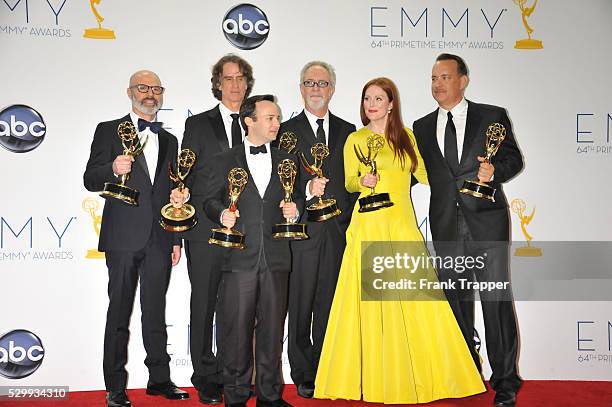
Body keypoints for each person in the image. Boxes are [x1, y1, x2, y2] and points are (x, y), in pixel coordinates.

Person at [314, 77, 485, 404]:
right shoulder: (355, 139)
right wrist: (362, 179)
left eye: (378, 98)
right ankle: (374, 380)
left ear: (392, 104)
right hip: (368, 226)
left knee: (418, 304)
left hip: (403, 226)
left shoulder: (407, 138)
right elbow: (349, 181)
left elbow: (427, 174)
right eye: (367, 99)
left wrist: (467, 171)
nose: (372, 104)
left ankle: (431, 378)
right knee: (369, 306)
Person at [412, 53, 523, 407]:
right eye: (433, 78)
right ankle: (466, 374)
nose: (437, 84)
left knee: (495, 303)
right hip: (446, 226)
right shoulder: (421, 126)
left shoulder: (491, 116)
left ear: (463, 80)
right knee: (457, 306)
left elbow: (513, 159)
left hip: (486, 223)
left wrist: (495, 173)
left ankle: (506, 379)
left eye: (444, 77)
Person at [84, 70, 190, 407]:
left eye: (156, 89)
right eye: (143, 88)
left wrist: (177, 238)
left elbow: (172, 189)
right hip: (123, 237)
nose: (150, 94)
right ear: (129, 91)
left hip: (161, 237)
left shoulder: (171, 140)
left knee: (155, 311)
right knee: (119, 312)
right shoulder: (109, 130)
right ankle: (114, 385)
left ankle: (159, 380)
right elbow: (90, 179)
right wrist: (113, 168)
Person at [202, 95, 303, 407]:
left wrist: (295, 211)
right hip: (238, 259)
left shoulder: (288, 159)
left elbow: (296, 198)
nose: (276, 124)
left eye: (277, 118)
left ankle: (270, 396)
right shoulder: (224, 159)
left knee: (272, 334)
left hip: (276, 258)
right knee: (235, 334)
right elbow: (209, 200)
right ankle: (234, 396)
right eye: (270, 118)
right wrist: (221, 214)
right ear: (249, 121)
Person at [275, 61, 356, 399]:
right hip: (302, 233)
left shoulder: (348, 130)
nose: (316, 89)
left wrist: (345, 221)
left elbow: (352, 183)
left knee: (328, 305)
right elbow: (277, 184)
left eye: (323, 83)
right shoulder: (285, 131)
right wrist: (307, 193)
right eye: (310, 82)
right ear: (301, 88)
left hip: (337, 233)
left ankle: (326, 367)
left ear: (332, 88)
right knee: (301, 304)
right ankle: (302, 371)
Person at [181, 54, 254, 404]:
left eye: (241, 78)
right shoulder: (197, 125)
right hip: (204, 230)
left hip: (244, 232)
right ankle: (205, 376)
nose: (235, 84)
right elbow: (186, 179)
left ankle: (232, 373)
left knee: (236, 307)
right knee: (204, 304)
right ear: (218, 83)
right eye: (228, 79)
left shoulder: (257, 122)